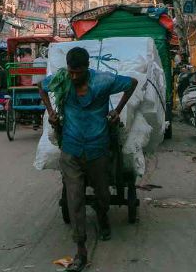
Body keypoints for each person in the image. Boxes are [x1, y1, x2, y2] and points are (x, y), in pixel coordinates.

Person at [39, 47, 138, 272]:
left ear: (87, 68)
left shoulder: (103, 81)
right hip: (72, 149)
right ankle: (80, 249)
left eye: (78, 73)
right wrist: (51, 111)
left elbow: (132, 83)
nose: (74, 77)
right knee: (75, 199)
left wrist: (118, 111)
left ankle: (103, 217)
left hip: (98, 149)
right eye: (71, 72)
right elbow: (41, 87)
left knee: (103, 195)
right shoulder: (62, 80)